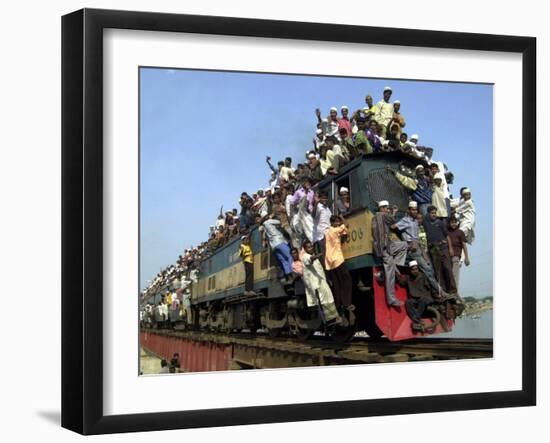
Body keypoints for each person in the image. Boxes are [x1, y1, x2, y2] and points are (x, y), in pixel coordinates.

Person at [395, 201, 442, 294]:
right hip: (412, 249)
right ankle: (439, 292)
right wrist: (393, 213)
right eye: (413, 210)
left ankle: (434, 291)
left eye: (416, 210)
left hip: (418, 249)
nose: (415, 211)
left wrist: (424, 255)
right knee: (427, 270)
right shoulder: (405, 220)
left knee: (430, 268)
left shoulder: (415, 222)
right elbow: (394, 226)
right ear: (408, 210)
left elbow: (418, 241)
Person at [371, 200, 408, 307]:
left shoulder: (375, 217)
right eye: (387, 208)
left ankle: (396, 266)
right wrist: (394, 212)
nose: (388, 210)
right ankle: (391, 299)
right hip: (385, 248)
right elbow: (392, 222)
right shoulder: (383, 215)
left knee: (404, 245)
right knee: (390, 275)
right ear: (382, 208)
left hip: (386, 246)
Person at [301, 240, 341, 325]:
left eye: (311, 246)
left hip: (321, 282)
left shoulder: (313, 255)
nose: (311, 248)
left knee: (329, 298)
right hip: (317, 284)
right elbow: (310, 259)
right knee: (325, 300)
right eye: (309, 247)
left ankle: (334, 318)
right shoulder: (305, 256)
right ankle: (331, 319)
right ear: (305, 249)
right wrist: (321, 254)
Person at [423, 206, 457, 294]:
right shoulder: (425, 223)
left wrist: (450, 248)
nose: (434, 215)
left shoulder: (440, 223)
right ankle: (444, 292)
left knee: (448, 268)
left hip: (443, 248)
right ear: (428, 214)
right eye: (432, 213)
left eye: (435, 213)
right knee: (438, 272)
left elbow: (447, 236)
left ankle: (453, 291)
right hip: (433, 250)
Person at [324, 215, 353, 309]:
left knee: (337, 284)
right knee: (346, 280)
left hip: (330, 260)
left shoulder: (329, 231)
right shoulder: (334, 230)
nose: (338, 223)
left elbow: (344, 232)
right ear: (332, 223)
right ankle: (346, 303)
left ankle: (339, 304)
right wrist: (342, 218)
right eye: (336, 222)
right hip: (337, 259)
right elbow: (346, 225)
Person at [262, 215, 294, 283]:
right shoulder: (268, 222)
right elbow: (279, 221)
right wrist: (272, 217)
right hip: (279, 242)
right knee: (289, 255)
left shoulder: (265, 229)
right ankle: (294, 273)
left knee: (283, 261)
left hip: (273, 246)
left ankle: (289, 277)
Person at [448, 216, 470, 291]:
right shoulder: (447, 232)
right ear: (449, 223)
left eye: (454, 222)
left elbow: (464, 245)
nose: (453, 224)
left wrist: (466, 257)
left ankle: (455, 293)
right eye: (451, 222)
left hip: (456, 256)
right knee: (448, 276)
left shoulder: (460, 232)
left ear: (456, 223)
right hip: (447, 257)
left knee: (455, 276)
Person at [312, 191, 331, 266]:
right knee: (325, 257)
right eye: (323, 198)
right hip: (322, 236)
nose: (325, 200)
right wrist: (316, 203)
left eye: (326, 198)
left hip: (328, 234)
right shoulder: (319, 206)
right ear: (319, 199)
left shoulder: (327, 208)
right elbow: (313, 215)